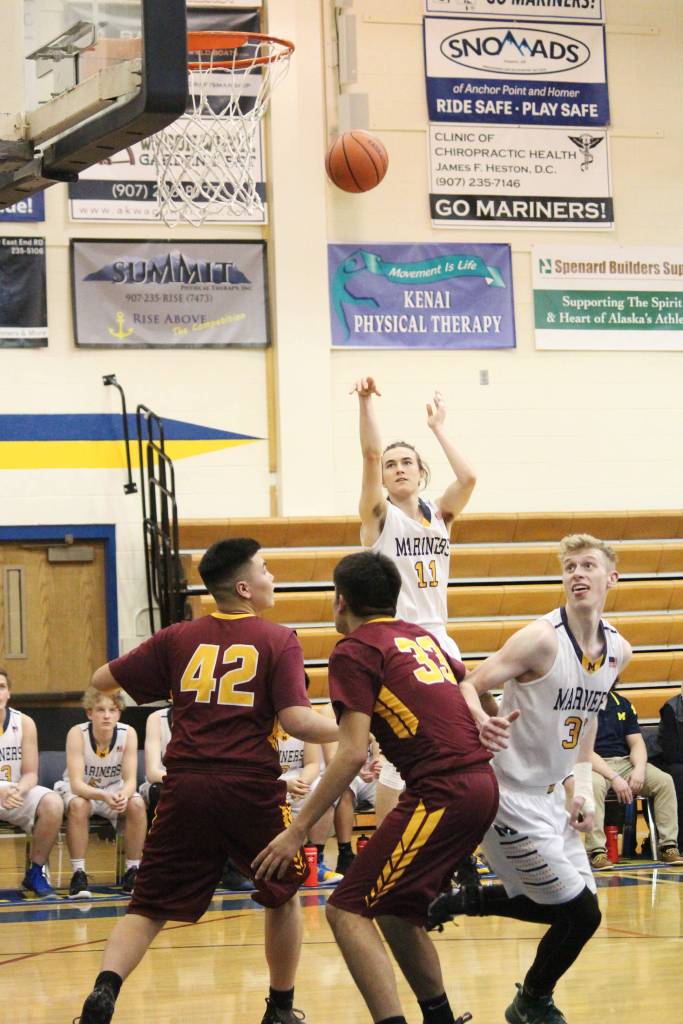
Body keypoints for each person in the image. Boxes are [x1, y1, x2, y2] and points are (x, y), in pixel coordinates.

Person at [74, 537, 339, 1024]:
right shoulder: (279, 639)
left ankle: (103, 993)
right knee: (282, 897)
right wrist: (354, 726)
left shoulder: (177, 637)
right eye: (265, 569)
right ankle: (280, 1009)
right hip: (249, 786)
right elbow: (299, 723)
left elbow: (101, 677)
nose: (271, 577)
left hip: (187, 784)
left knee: (148, 906)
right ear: (244, 587)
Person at [253, 550, 503, 1024]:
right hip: (476, 783)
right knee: (393, 911)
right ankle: (440, 1016)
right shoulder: (421, 636)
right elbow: (476, 683)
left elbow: (350, 751)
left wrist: (297, 829)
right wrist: (487, 720)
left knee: (345, 910)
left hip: (443, 791)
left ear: (340, 601)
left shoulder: (356, 650)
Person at [428, 534, 631, 1024]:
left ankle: (474, 908)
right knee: (578, 913)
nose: (578, 574)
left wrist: (580, 790)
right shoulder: (541, 639)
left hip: (553, 801)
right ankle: (531, 1001)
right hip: (506, 796)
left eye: (588, 566)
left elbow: (587, 722)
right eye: (569, 567)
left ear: (612, 578)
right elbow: (468, 685)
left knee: (577, 918)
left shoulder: (619, 650)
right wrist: (481, 720)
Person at [352, 376, 477, 823]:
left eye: (407, 462)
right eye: (391, 465)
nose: (399, 468)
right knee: (398, 754)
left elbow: (469, 477)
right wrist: (366, 403)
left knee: (468, 737)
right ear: (383, 477)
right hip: (399, 642)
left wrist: (438, 429)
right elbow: (368, 453)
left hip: (440, 636)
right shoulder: (378, 518)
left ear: (420, 472)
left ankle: (457, 837)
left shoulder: (439, 515)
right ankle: (385, 843)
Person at [56, 687, 146, 899]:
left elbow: (131, 779)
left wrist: (123, 794)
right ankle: (78, 875)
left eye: (112, 710)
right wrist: (104, 796)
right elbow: (77, 784)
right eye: (100, 710)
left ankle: (133, 871)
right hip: (82, 788)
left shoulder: (128, 734)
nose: (107, 715)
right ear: (89, 713)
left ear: (119, 712)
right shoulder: (77, 734)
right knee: (78, 805)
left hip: (114, 788)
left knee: (137, 804)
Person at [586, 688, 682, 867]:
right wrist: (614, 777)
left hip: (624, 762)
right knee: (594, 785)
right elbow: (583, 751)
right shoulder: (578, 705)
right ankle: (596, 851)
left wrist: (638, 768)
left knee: (664, 781)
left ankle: (668, 846)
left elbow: (637, 742)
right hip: (592, 763)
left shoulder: (622, 703)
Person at [0, 667, 63, 897]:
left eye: (1, 687)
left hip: (16, 793)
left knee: (53, 803)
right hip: (2, 792)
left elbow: (30, 773)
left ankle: (35, 872)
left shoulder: (25, 723)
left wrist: (18, 789)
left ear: (9, 693)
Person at [277, 713, 342, 884]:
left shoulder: (304, 720)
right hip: (273, 781)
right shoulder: (263, 720)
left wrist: (303, 782)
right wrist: (285, 785)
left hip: (300, 778)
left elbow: (312, 763)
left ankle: (315, 859)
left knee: (325, 790)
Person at [656, 685, 683, 850]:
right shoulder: (670, 709)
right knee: (679, 774)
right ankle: (679, 840)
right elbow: (671, 752)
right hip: (675, 762)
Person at [138, 705, 172, 820]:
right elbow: (152, 774)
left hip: (196, 781)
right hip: (162, 782)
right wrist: (184, 779)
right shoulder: (157, 718)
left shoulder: (206, 718)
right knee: (159, 791)